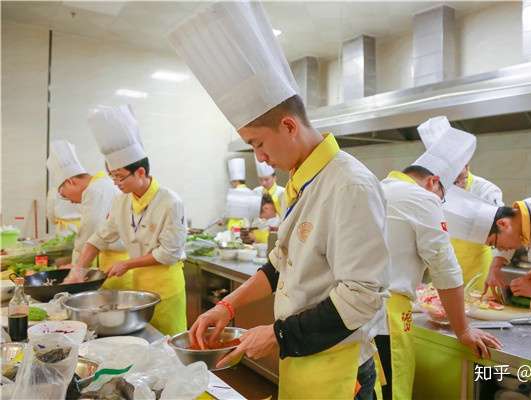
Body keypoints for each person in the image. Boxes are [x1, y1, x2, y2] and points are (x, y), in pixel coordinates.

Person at [169, 2, 388, 398]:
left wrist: (277, 334)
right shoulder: (302, 181)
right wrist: (228, 307)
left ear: (288, 126)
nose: (260, 158)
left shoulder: (349, 184)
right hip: (303, 359)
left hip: (341, 371)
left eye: (257, 143)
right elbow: (280, 262)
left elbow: (361, 296)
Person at [377, 125, 501, 400]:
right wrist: (464, 329)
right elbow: (445, 271)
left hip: (358, 315)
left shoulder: (381, 187)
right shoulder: (422, 197)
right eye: (443, 197)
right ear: (433, 182)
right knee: (392, 391)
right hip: (388, 318)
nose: (440, 202)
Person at [64, 105, 187, 335]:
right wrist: (79, 268)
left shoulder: (170, 202)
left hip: (166, 288)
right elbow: (99, 237)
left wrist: (127, 264)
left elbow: (168, 253)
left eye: (120, 177)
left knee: (168, 345)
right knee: (144, 341)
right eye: (113, 177)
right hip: (138, 290)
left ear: (140, 172)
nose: (116, 183)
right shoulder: (122, 202)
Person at [418, 116, 503, 289]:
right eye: (452, 178)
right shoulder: (432, 190)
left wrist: (495, 269)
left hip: (478, 275)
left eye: (460, 175)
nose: (458, 181)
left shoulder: (486, 190)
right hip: (442, 274)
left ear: (467, 164)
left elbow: (503, 233)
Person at [47, 139, 130, 289]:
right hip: (110, 262)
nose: (69, 201)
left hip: (117, 266)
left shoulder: (96, 190)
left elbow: (88, 233)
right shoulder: (99, 186)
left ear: (70, 181)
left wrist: (75, 269)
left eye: (63, 194)